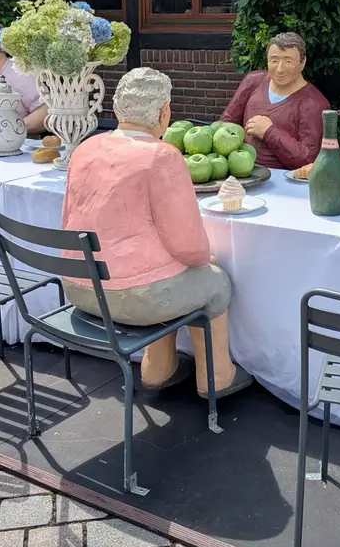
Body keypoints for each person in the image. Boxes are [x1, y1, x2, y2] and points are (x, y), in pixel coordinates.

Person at [61, 67, 252, 399]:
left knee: (163, 270)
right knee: (212, 281)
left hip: (78, 288)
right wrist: (200, 258)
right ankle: (216, 377)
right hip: (134, 299)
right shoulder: (161, 156)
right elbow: (190, 247)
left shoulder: (85, 150)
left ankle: (159, 367)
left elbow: (68, 219)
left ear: (117, 110)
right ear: (165, 112)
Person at [219, 32, 330, 170]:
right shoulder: (253, 81)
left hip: (283, 180)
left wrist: (269, 132)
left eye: (288, 61)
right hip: (240, 171)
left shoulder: (313, 103)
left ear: (302, 63)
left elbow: (307, 160)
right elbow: (225, 124)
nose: (280, 69)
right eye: (274, 60)